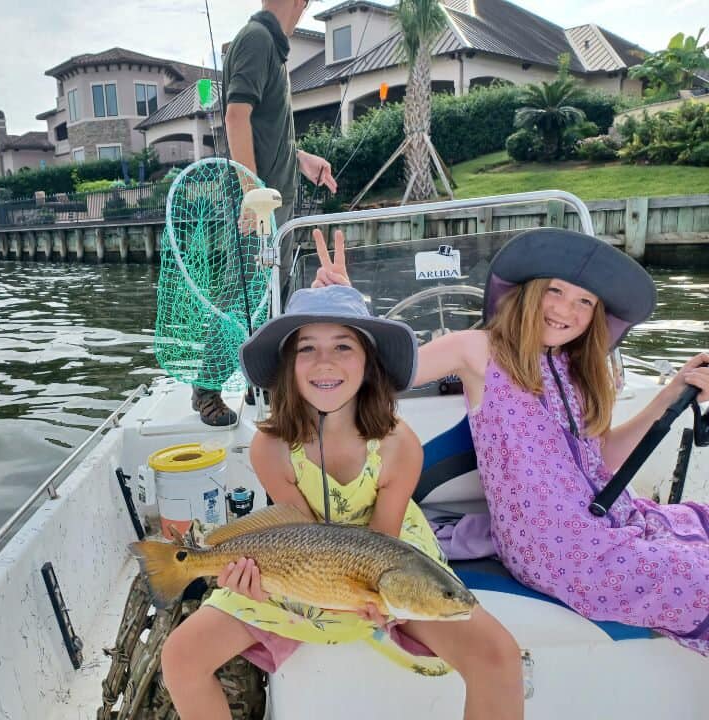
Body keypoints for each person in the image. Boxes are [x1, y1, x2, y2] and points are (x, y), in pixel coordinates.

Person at [312, 226, 709, 655]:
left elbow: (605, 460)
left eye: (584, 301)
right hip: (557, 551)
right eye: (554, 291)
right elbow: (376, 374)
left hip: (610, 522)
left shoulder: (582, 372)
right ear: (529, 292)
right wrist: (344, 308)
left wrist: (671, 392)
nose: (564, 310)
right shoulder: (478, 350)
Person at [162, 283, 524, 720]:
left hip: (382, 568)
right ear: (287, 366)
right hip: (297, 566)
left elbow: (382, 546)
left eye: (343, 346)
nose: (326, 362)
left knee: (499, 656)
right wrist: (250, 579)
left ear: (369, 362)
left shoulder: (399, 446)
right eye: (307, 348)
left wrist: (369, 600)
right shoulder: (269, 448)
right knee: (180, 656)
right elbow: (295, 529)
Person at [191, 0, 338, 427]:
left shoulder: (272, 46)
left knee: (275, 296)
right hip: (259, 208)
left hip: (276, 205)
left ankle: (269, 384)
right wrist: (251, 192)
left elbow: (265, 129)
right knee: (242, 296)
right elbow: (236, 116)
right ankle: (206, 390)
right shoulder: (257, 40)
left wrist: (302, 158)